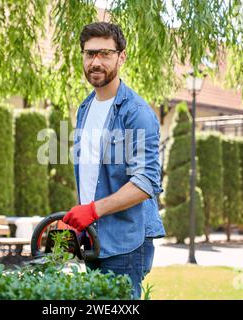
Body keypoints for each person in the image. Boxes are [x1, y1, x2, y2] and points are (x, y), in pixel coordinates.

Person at [62, 22, 166, 299]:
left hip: (125, 243)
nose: (95, 62)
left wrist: (93, 210)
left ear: (121, 57)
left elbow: (145, 183)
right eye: (89, 54)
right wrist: (79, 219)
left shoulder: (136, 113)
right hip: (94, 239)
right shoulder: (85, 107)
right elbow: (92, 174)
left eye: (105, 54)